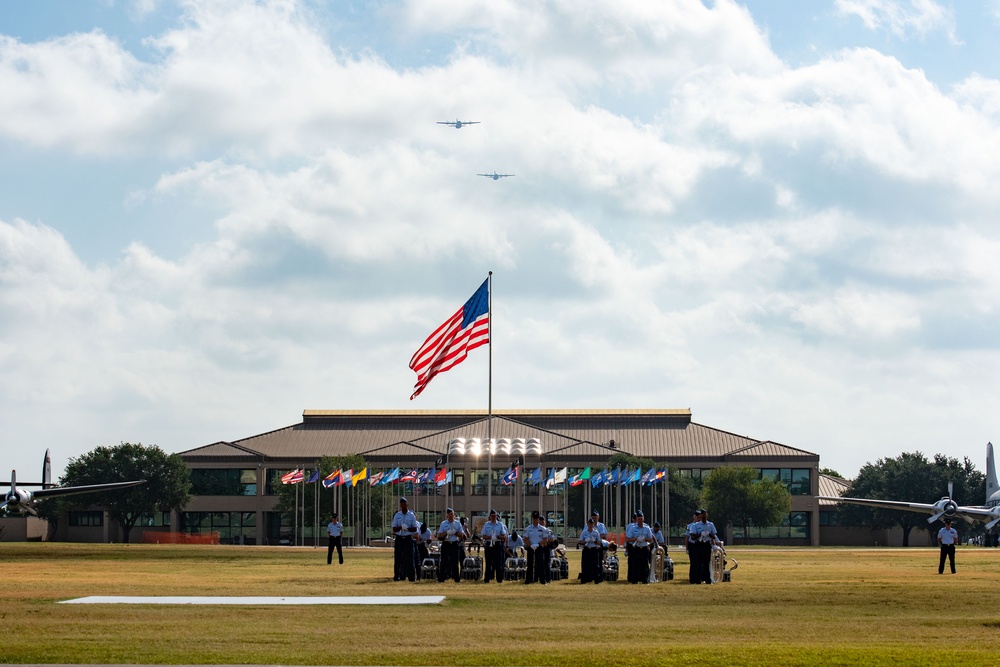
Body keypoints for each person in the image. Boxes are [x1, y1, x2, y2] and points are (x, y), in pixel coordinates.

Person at [391, 497, 419, 582]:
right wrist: (400, 527)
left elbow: (415, 529)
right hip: (399, 538)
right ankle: (397, 576)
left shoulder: (411, 515)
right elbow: (394, 529)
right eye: (402, 504)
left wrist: (407, 529)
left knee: (410, 559)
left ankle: (411, 577)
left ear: (407, 504)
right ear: (400, 505)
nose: (403, 506)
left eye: (405, 504)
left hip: (408, 538)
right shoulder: (397, 515)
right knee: (398, 558)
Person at [691, 509, 719, 584]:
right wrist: (700, 534)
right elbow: (693, 537)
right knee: (698, 563)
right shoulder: (696, 525)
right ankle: (698, 580)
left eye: (705, 515)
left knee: (706, 563)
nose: (704, 516)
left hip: (706, 544)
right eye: (702, 515)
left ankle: (707, 579)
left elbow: (714, 536)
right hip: (699, 544)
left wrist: (708, 534)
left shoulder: (710, 525)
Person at [625, 510, 654, 583]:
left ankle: (644, 579)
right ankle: (635, 580)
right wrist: (636, 539)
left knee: (644, 565)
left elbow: (650, 539)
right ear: (636, 519)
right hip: (636, 548)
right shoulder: (633, 528)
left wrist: (644, 539)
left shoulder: (647, 528)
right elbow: (627, 539)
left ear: (643, 519)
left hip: (644, 548)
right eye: (638, 519)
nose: (640, 521)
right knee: (635, 565)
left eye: (641, 519)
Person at [437, 507, 464, 582]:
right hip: (446, 543)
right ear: (447, 515)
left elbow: (462, 535)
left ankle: (456, 578)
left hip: (454, 543)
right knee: (444, 562)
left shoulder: (458, 523)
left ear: (454, 515)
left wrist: (455, 533)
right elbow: (439, 535)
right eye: (449, 514)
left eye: (452, 514)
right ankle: (442, 578)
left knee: (455, 562)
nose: (450, 515)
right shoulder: (443, 523)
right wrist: (446, 532)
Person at [481, 509, 508, 583]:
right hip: (489, 545)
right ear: (490, 516)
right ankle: (487, 579)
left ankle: (499, 579)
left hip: (497, 544)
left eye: (494, 516)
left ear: (496, 516)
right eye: (492, 516)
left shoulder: (500, 524)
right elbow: (483, 536)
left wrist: (497, 537)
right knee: (488, 562)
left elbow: (504, 535)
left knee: (498, 562)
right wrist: (490, 537)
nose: (493, 517)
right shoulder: (486, 524)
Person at [522, 511, 547, 584]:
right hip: (531, 547)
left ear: (538, 519)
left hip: (539, 547)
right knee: (530, 564)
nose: (535, 520)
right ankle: (528, 580)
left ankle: (542, 580)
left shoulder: (543, 529)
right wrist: (530, 545)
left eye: (536, 519)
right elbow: (525, 538)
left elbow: (545, 539)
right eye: (534, 519)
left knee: (540, 564)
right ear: (532, 519)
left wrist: (539, 544)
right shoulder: (528, 528)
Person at [578, 517, 603, 584]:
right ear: (587, 524)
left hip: (594, 549)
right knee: (585, 565)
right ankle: (585, 579)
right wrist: (585, 540)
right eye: (589, 524)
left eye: (592, 524)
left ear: (593, 525)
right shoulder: (584, 532)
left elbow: (599, 542)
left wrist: (594, 541)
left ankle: (596, 579)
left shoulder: (596, 532)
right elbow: (580, 542)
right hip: (587, 549)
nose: (590, 525)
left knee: (595, 565)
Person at [686, 511, 701, 584]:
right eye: (697, 517)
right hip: (692, 544)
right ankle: (692, 578)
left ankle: (699, 578)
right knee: (693, 563)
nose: (698, 518)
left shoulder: (702, 524)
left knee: (699, 562)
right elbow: (687, 537)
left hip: (700, 544)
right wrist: (687, 548)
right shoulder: (690, 526)